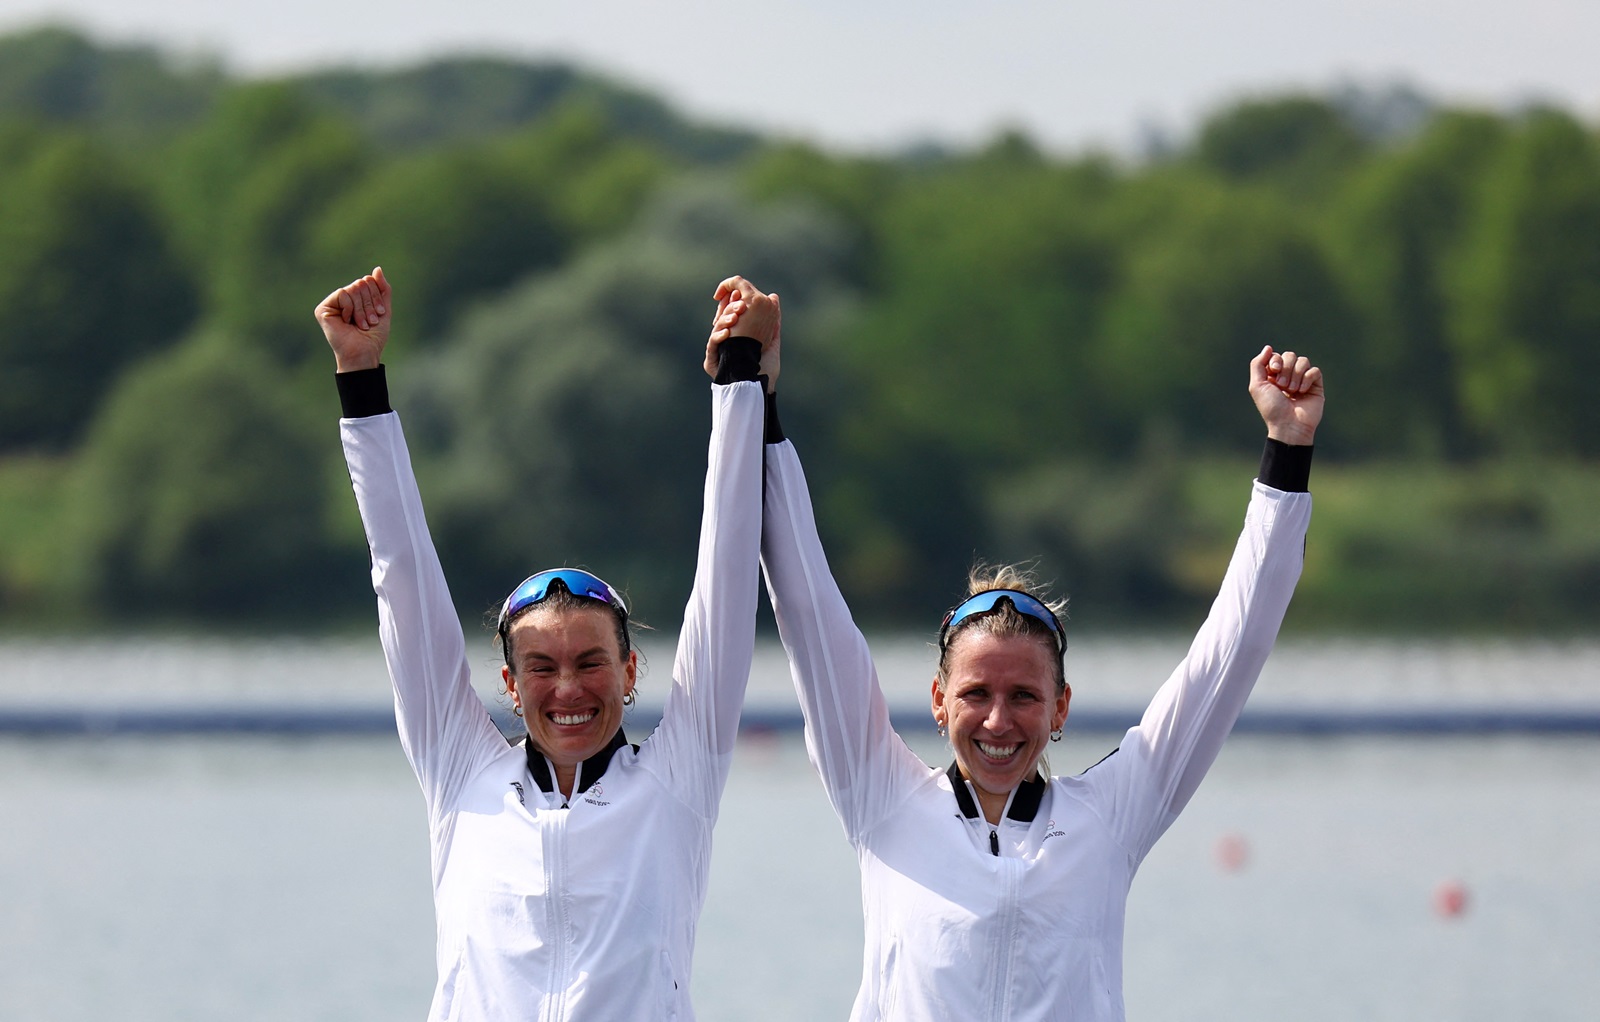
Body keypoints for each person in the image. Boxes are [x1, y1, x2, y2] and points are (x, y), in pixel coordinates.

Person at [742, 277, 1322, 1020]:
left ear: (1061, 709)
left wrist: (1289, 447)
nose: (997, 721)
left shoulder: (1113, 815)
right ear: (938, 699)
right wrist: (755, 398)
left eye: (1024, 697)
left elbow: (1232, 649)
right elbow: (807, 608)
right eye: (976, 694)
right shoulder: (879, 797)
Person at [316, 267, 779, 1021]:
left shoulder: (677, 780)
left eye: (590, 662)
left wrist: (738, 381)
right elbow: (400, 574)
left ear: (629, 670)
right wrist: (359, 376)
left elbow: (726, 577)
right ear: (510, 683)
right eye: (542, 668)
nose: (567, 689)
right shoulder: (460, 769)